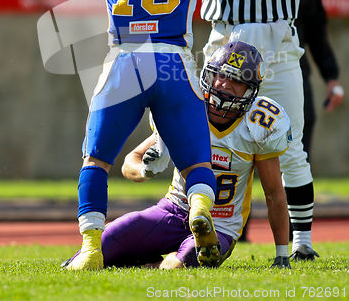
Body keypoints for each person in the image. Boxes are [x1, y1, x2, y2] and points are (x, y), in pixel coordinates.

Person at [0, 0, 307, 270]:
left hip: (125, 60)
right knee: (196, 160)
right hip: (172, 59)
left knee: (95, 159)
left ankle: (92, 247)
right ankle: (200, 209)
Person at [196, 0, 349, 260]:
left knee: (291, 146)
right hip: (223, 46)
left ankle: (302, 244)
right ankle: (194, 225)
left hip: (278, 50)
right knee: (204, 142)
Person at [62, 41, 292, 269]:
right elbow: (129, 162)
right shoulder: (189, 108)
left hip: (220, 224)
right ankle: (145, 261)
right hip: (173, 210)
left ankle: (159, 260)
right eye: (220, 75)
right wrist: (145, 169)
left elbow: (274, 194)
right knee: (107, 244)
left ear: (250, 90)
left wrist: (282, 255)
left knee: (178, 264)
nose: (223, 84)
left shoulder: (259, 124)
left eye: (236, 81)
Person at [296, 0, 344, 159]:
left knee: (299, 148)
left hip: (295, 69)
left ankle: (293, 190)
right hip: (250, 71)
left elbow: (316, 32)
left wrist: (331, 77)